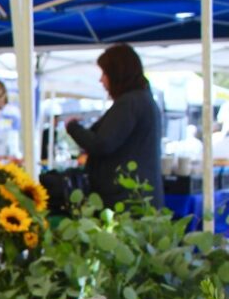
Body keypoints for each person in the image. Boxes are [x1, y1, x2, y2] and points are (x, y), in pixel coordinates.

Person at [66, 44, 164, 208]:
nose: (101, 79)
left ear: (117, 73)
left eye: (105, 73)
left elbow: (102, 143)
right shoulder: (143, 100)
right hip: (136, 197)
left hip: (126, 200)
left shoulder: (129, 103)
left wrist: (72, 127)